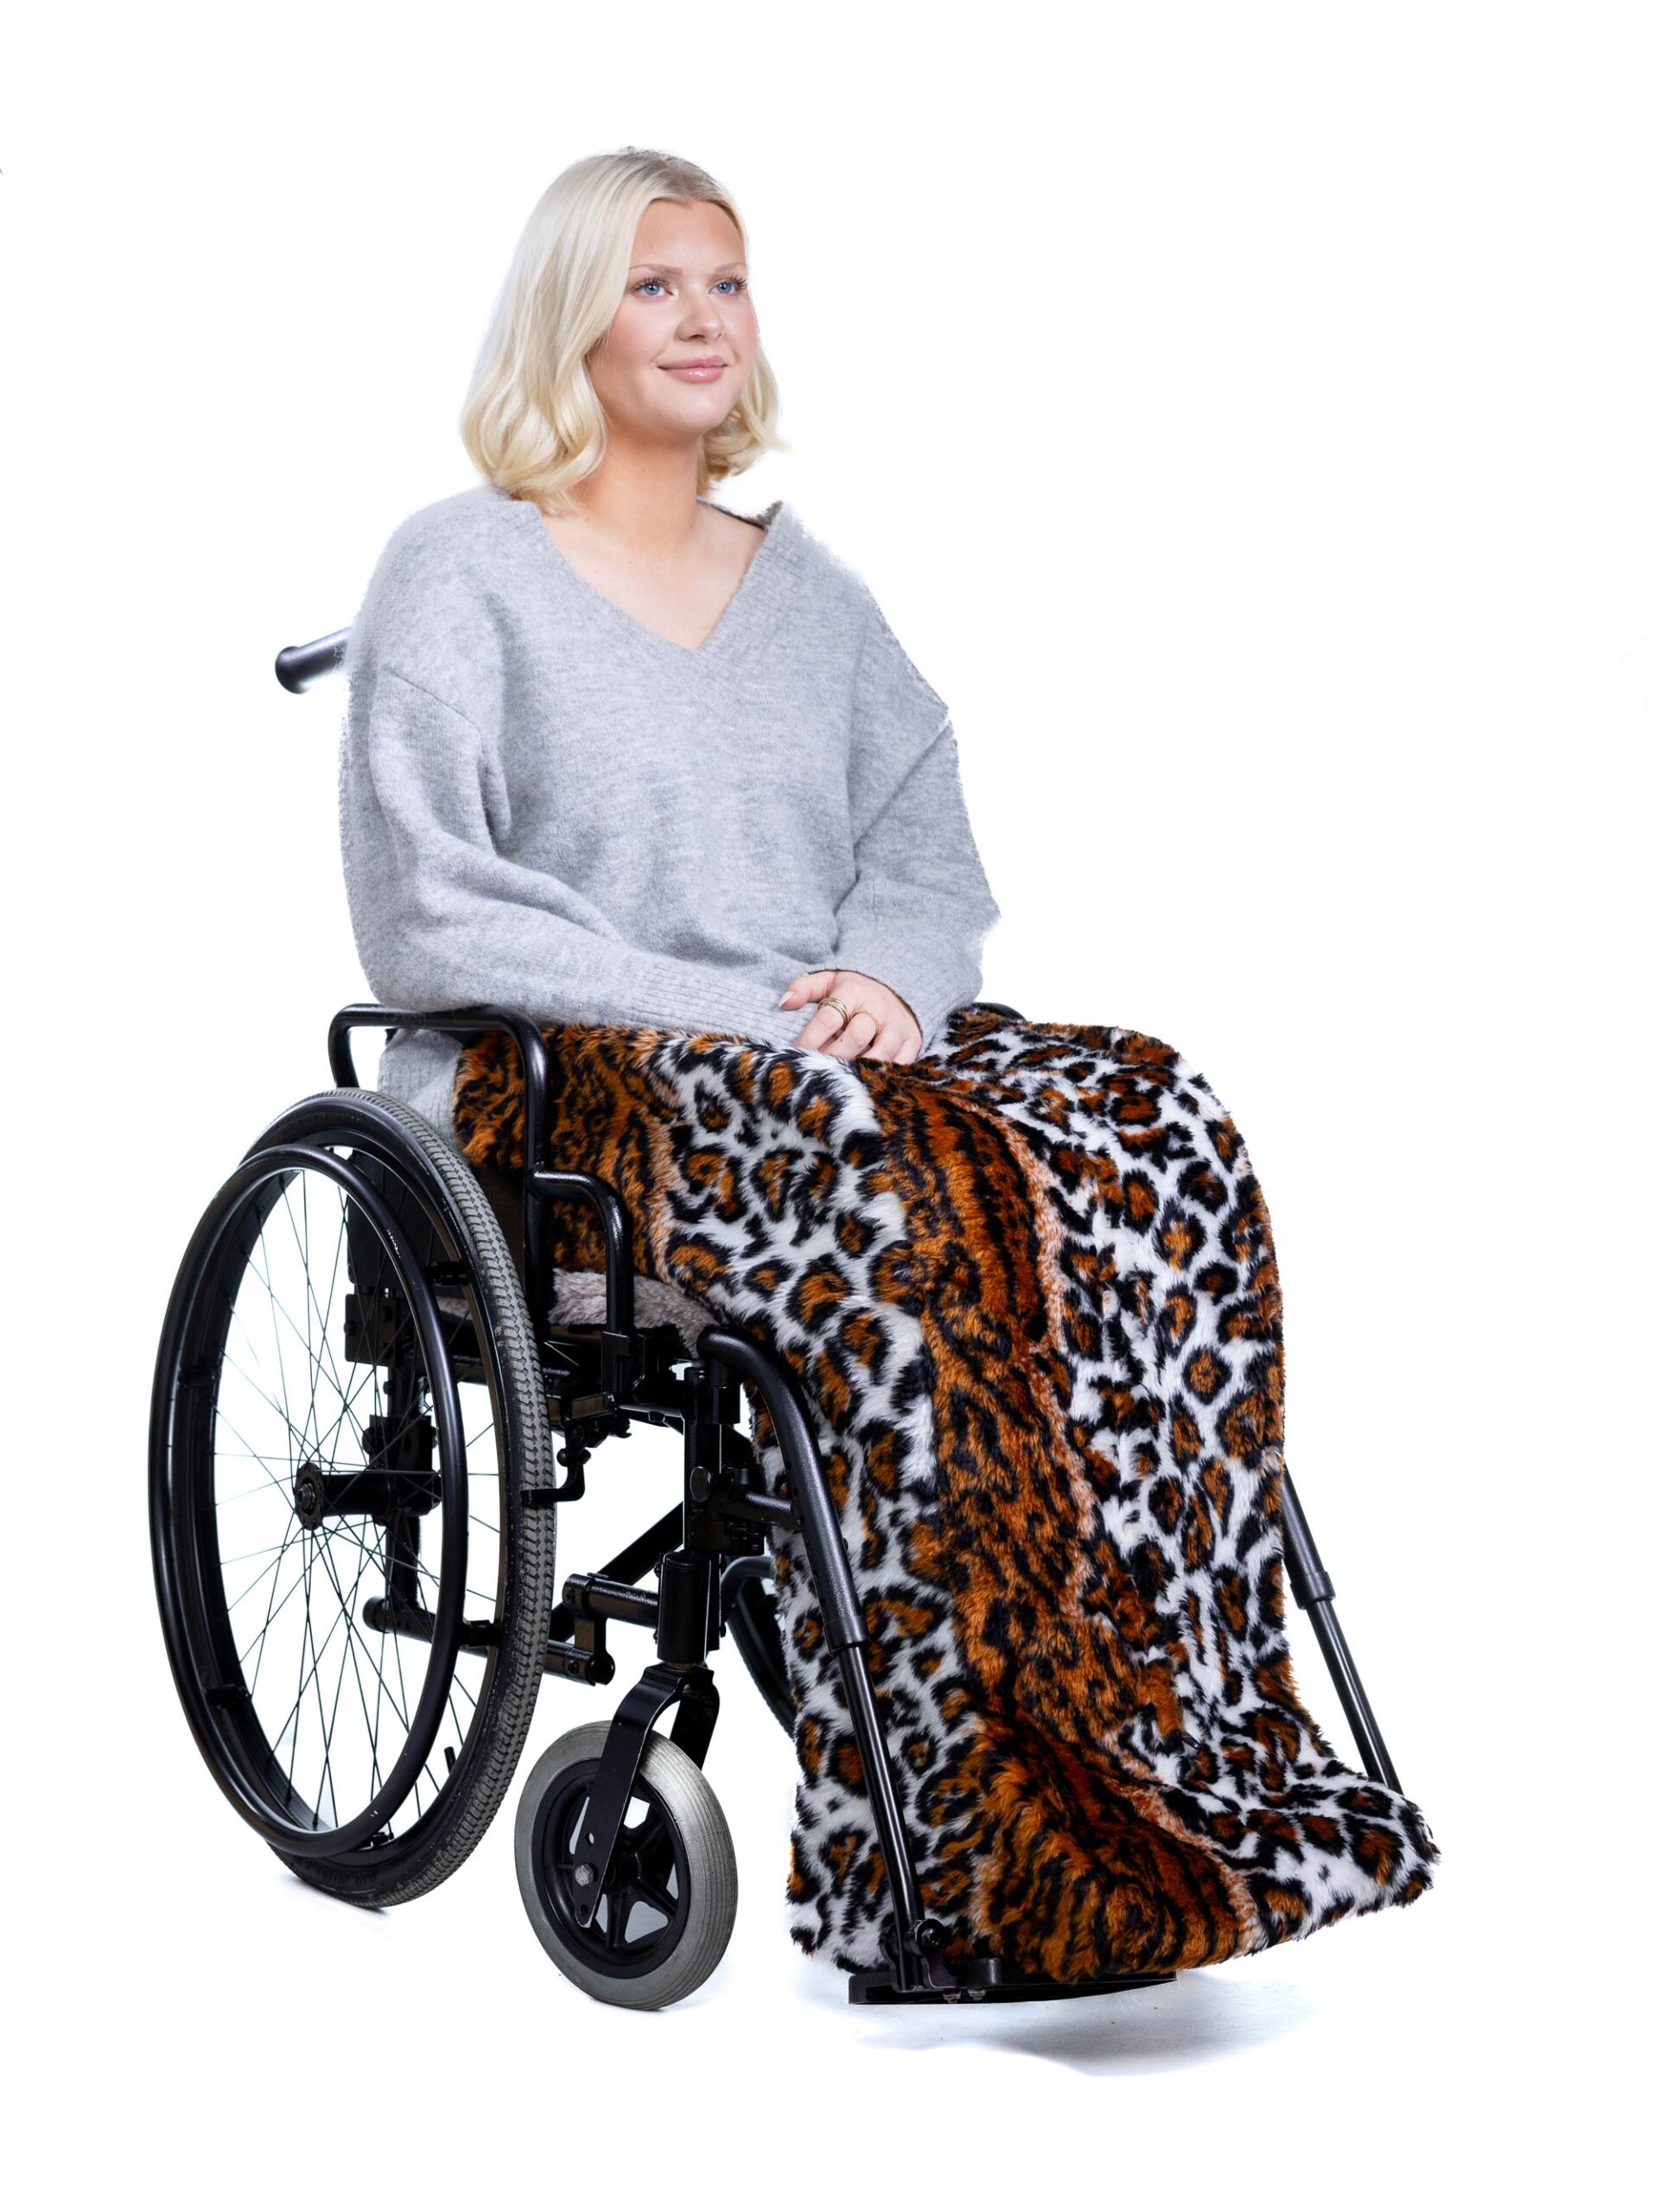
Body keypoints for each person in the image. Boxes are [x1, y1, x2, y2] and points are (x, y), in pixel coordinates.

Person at [340, 146, 1001, 1135]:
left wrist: (885, 983)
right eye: (653, 287)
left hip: (821, 1065)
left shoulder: (820, 603)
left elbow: (927, 860)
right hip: (563, 1075)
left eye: (727, 285)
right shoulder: (458, 572)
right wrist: (744, 1026)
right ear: (568, 317)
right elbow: (429, 917)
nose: (705, 321)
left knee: (1144, 1106)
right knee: (885, 1172)